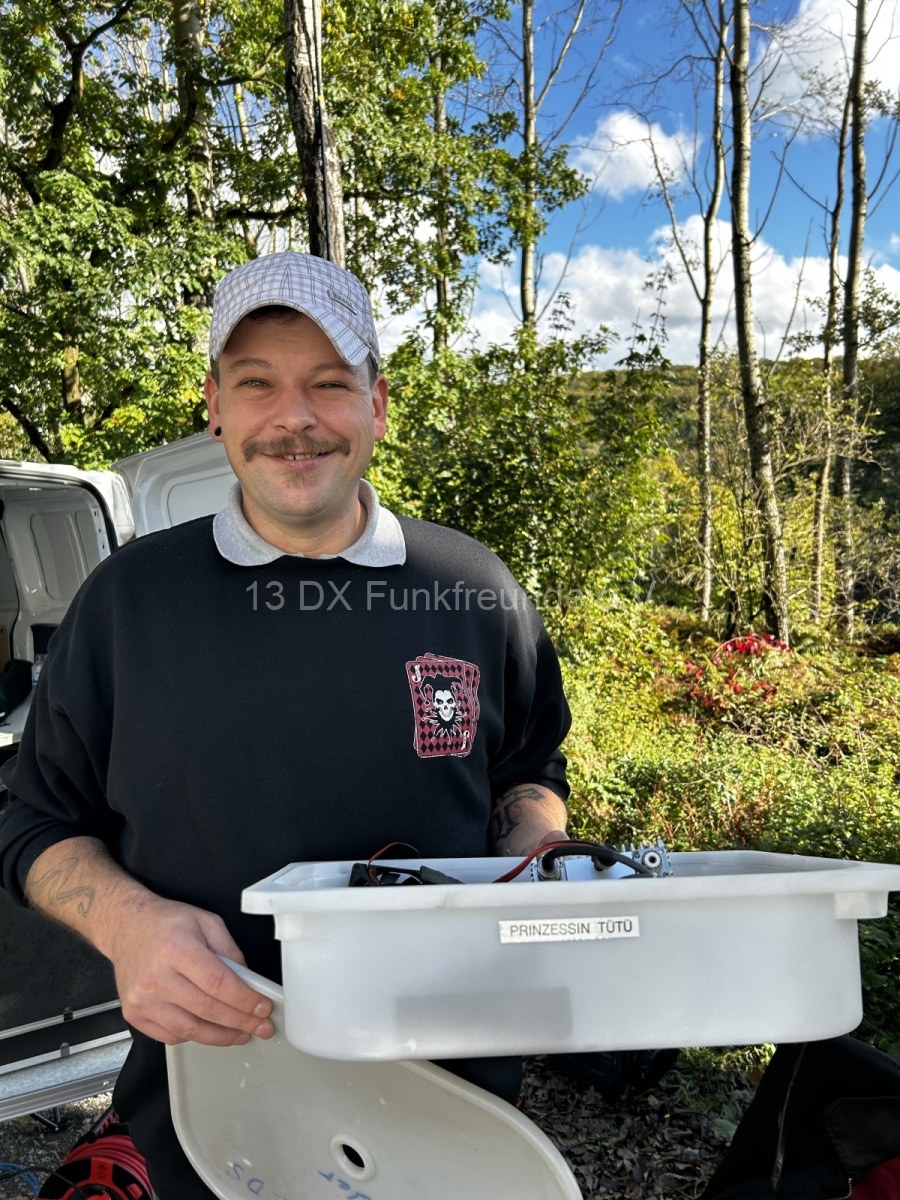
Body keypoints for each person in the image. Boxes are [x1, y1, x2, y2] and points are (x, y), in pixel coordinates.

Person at [0, 252, 572, 1200]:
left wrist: (537, 857)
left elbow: (528, 770)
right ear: (216, 407)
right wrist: (130, 926)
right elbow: (33, 824)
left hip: (456, 1106)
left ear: (377, 404)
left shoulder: (473, 588)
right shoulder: (128, 604)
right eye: (257, 382)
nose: (293, 417)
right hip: (211, 1114)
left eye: (329, 383)